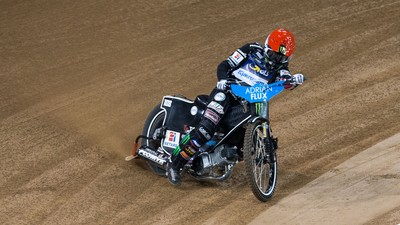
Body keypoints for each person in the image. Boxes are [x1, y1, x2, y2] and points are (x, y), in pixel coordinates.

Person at [167, 28, 304, 186]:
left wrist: (294, 81)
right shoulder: (251, 50)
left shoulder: (281, 68)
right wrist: (223, 79)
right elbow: (225, 64)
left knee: (243, 147)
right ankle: (174, 164)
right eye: (275, 55)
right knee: (205, 130)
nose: (277, 60)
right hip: (227, 93)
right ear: (267, 48)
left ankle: (217, 159)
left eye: (282, 57)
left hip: (248, 103)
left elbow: (285, 80)